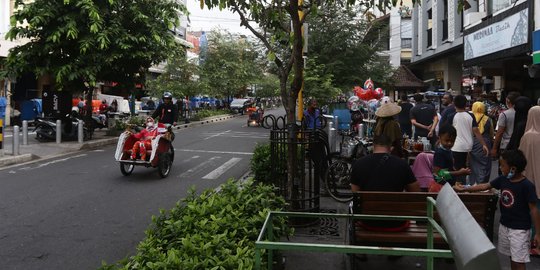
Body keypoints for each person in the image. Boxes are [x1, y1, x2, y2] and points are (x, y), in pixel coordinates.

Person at [454, 150, 540, 270]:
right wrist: (464, 189)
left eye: (502, 165)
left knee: (519, 260)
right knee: (512, 257)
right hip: (505, 226)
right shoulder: (503, 179)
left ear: (513, 169)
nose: (500, 168)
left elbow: (534, 210)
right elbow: (485, 186)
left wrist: (538, 233)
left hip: (520, 229)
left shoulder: (527, 186)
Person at [350, 134, 420, 229]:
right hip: (397, 223)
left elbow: (355, 193)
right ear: (390, 147)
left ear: (373, 146)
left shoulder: (359, 164)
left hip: (367, 221)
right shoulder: (402, 165)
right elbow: (415, 193)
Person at [446, 95, 489, 184]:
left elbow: (448, 131)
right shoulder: (471, 115)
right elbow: (476, 131)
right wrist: (483, 144)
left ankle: (459, 187)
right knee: (467, 169)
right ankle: (465, 186)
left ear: (454, 104)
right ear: (466, 104)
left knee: (457, 169)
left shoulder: (451, 116)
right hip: (469, 147)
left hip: (456, 147)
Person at [519, 106, 540, 255]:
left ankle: (532, 243)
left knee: (531, 210)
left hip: (529, 178)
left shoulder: (527, 136)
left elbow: (521, 158)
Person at [469, 101, 494, 184]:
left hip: (472, 142)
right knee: (485, 165)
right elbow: (491, 133)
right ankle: (482, 184)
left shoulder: (470, 118)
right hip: (485, 142)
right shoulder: (488, 119)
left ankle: (473, 184)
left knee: (472, 165)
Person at [491, 91, 520, 158]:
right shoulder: (525, 113)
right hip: (519, 144)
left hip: (506, 145)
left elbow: (500, 132)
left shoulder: (504, 114)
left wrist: (494, 148)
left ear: (508, 100)